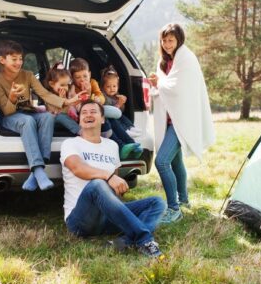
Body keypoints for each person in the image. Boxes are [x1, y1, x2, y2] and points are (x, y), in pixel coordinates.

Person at [60, 100, 165, 257]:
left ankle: (125, 242)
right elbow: (77, 168)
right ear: (79, 119)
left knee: (157, 203)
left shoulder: (111, 146)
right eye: (84, 113)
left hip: (107, 218)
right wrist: (108, 176)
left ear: (102, 119)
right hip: (80, 221)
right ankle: (144, 240)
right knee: (97, 184)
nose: (88, 115)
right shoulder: (70, 144)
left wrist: (112, 183)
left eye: (93, 112)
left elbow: (113, 186)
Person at [0, 40, 85, 191]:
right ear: (2, 60)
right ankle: (38, 170)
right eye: (14, 59)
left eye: (20, 58)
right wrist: (13, 98)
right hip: (8, 117)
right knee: (27, 121)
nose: (19, 62)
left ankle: (36, 173)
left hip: (28, 112)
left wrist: (69, 101)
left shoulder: (28, 75)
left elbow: (45, 94)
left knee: (48, 116)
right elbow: (7, 111)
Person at [148, 23, 215, 223]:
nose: (167, 44)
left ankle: (173, 208)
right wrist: (157, 82)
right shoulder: (165, 62)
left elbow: (177, 89)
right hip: (170, 119)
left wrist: (158, 83)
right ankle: (184, 201)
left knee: (162, 162)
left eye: (171, 40)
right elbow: (165, 86)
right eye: (164, 40)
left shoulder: (186, 58)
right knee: (176, 161)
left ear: (179, 40)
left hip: (181, 120)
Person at [69, 58, 142, 159]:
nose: (82, 79)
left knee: (112, 120)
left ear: (89, 74)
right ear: (72, 78)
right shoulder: (72, 89)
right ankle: (120, 147)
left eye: (85, 76)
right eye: (78, 77)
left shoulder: (93, 82)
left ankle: (131, 144)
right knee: (106, 121)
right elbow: (79, 108)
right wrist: (89, 94)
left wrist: (98, 99)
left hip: (98, 113)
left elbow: (101, 97)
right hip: (85, 118)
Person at [100, 65, 141, 138]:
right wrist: (119, 104)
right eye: (108, 86)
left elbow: (121, 111)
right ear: (103, 88)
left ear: (118, 86)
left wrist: (122, 104)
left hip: (117, 114)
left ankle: (131, 127)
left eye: (114, 86)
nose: (112, 89)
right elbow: (111, 112)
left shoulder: (117, 95)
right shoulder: (104, 97)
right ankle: (125, 131)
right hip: (110, 117)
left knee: (123, 117)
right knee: (117, 120)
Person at [43, 66, 81, 135]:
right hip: (53, 121)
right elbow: (58, 114)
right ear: (52, 84)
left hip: (64, 120)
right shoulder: (49, 97)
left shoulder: (66, 94)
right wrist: (62, 100)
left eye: (67, 85)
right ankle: (80, 131)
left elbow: (65, 112)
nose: (65, 88)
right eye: (62, 85)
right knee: (60, 116)